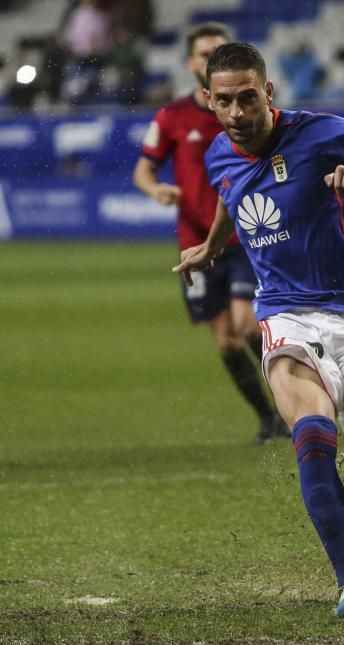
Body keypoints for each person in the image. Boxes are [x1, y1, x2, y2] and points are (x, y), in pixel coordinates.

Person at [173, 42, 344, 616]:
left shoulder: (320, 133)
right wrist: (214, 247)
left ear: (268, 92)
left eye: (248, 98)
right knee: (313, 432)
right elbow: (230, 193)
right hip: (288, 312)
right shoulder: (219, 152)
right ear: (208, 102)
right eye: (226, 102)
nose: (238, 112)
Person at [133, 25, 287, 445]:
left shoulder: (253, 114)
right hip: (194, 242)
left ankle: (291, 408)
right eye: (204, 54)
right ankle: (267, 418)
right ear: (190, 64)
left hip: (244, 238)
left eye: (218, 51)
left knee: (247, 324)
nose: (211, 58)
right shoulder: (171, 117)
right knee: (225, 339)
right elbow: (143, 168)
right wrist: (156, 189)